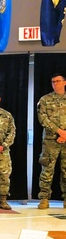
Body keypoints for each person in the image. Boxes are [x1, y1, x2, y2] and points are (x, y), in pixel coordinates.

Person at [38, 73, 66, 209]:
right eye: (53, 82)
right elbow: (43, 119)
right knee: (47, 169)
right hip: (50, 140)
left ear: (65, 82)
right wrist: (59, 132)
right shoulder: (45, 100)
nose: (55, 83)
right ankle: (44, 198)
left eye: (58, 81)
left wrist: (65, 135)